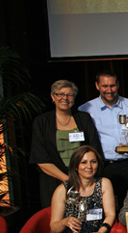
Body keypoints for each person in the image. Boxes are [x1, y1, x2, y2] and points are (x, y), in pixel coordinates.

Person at [30, 80, 103, 208]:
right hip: (54, 181)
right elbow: (41, 158)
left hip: (84, 179)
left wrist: (81, 178)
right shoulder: (41, 122)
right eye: (60, 94)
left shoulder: (84, 118)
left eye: (69, 95)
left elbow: (94, 149)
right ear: (53, 97)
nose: (65, 98)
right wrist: (68, 180)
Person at [79, 70, 128, 208]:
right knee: (103, 206)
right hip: (102, 166)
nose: (109, 90)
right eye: (104, 86)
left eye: (112, 86)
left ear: (118, 85)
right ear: (97, 86)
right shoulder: (86, 109)